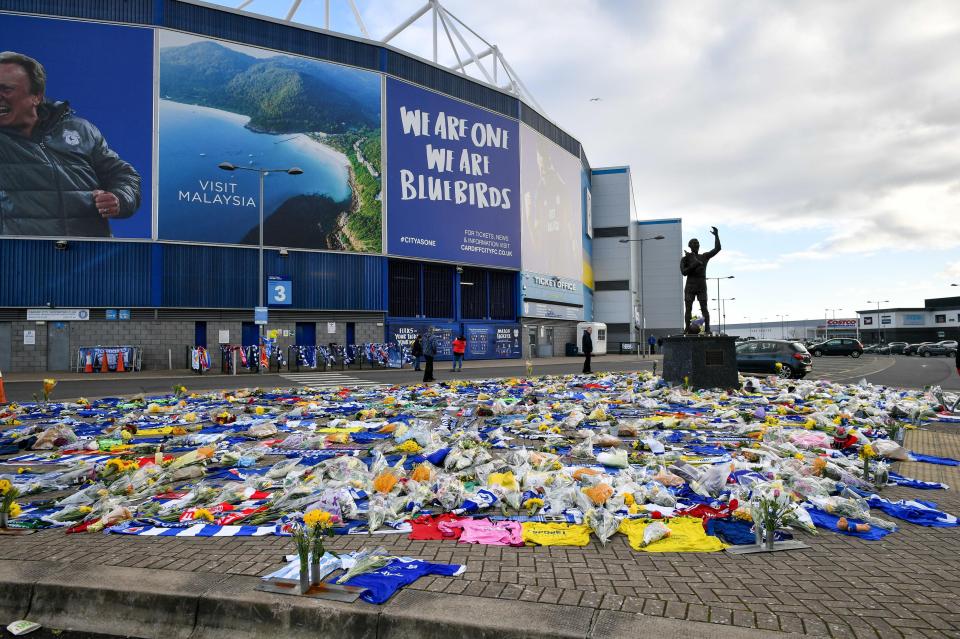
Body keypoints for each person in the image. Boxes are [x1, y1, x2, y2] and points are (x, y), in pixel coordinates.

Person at [0, 51, 141, 237]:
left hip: (91, 257)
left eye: (6, 89)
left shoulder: (81, 130)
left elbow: (123, 174)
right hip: (26, 258)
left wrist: (119, 199)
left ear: (36, 96)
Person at [680, 226, 721, 334]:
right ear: (689, 246)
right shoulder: (685, 259)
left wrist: (716, 236)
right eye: (694, 243)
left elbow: (717, 249)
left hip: (701, 284)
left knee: (704, 308)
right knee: (688, 308)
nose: (696, 244)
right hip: (690, 285)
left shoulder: (704, 256)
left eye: (697, 242)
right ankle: (687, 328)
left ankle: (707, 328)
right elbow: (684, 272)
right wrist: (694, 264)